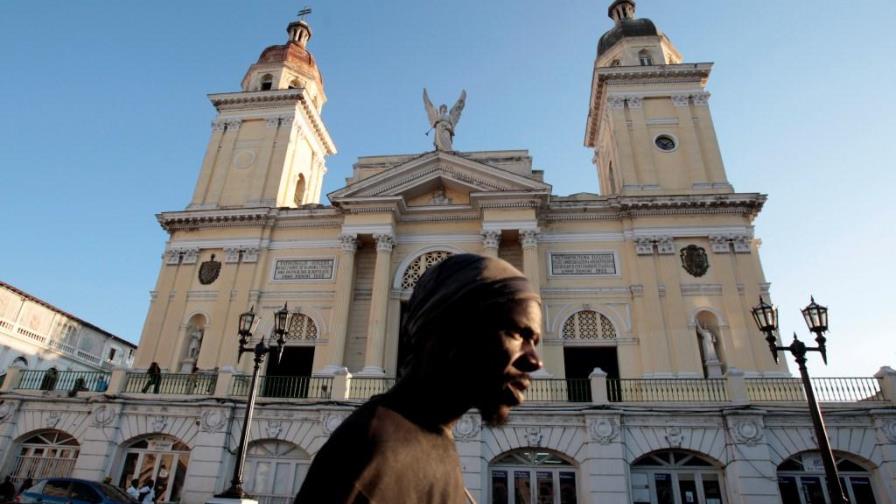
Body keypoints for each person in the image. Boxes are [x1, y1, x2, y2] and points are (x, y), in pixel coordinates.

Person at [295, 254, 542, 503]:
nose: (535, 362)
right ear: (453, 328)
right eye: (517, 334)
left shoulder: (431, 442)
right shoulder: (375, 450)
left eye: (534, 341)